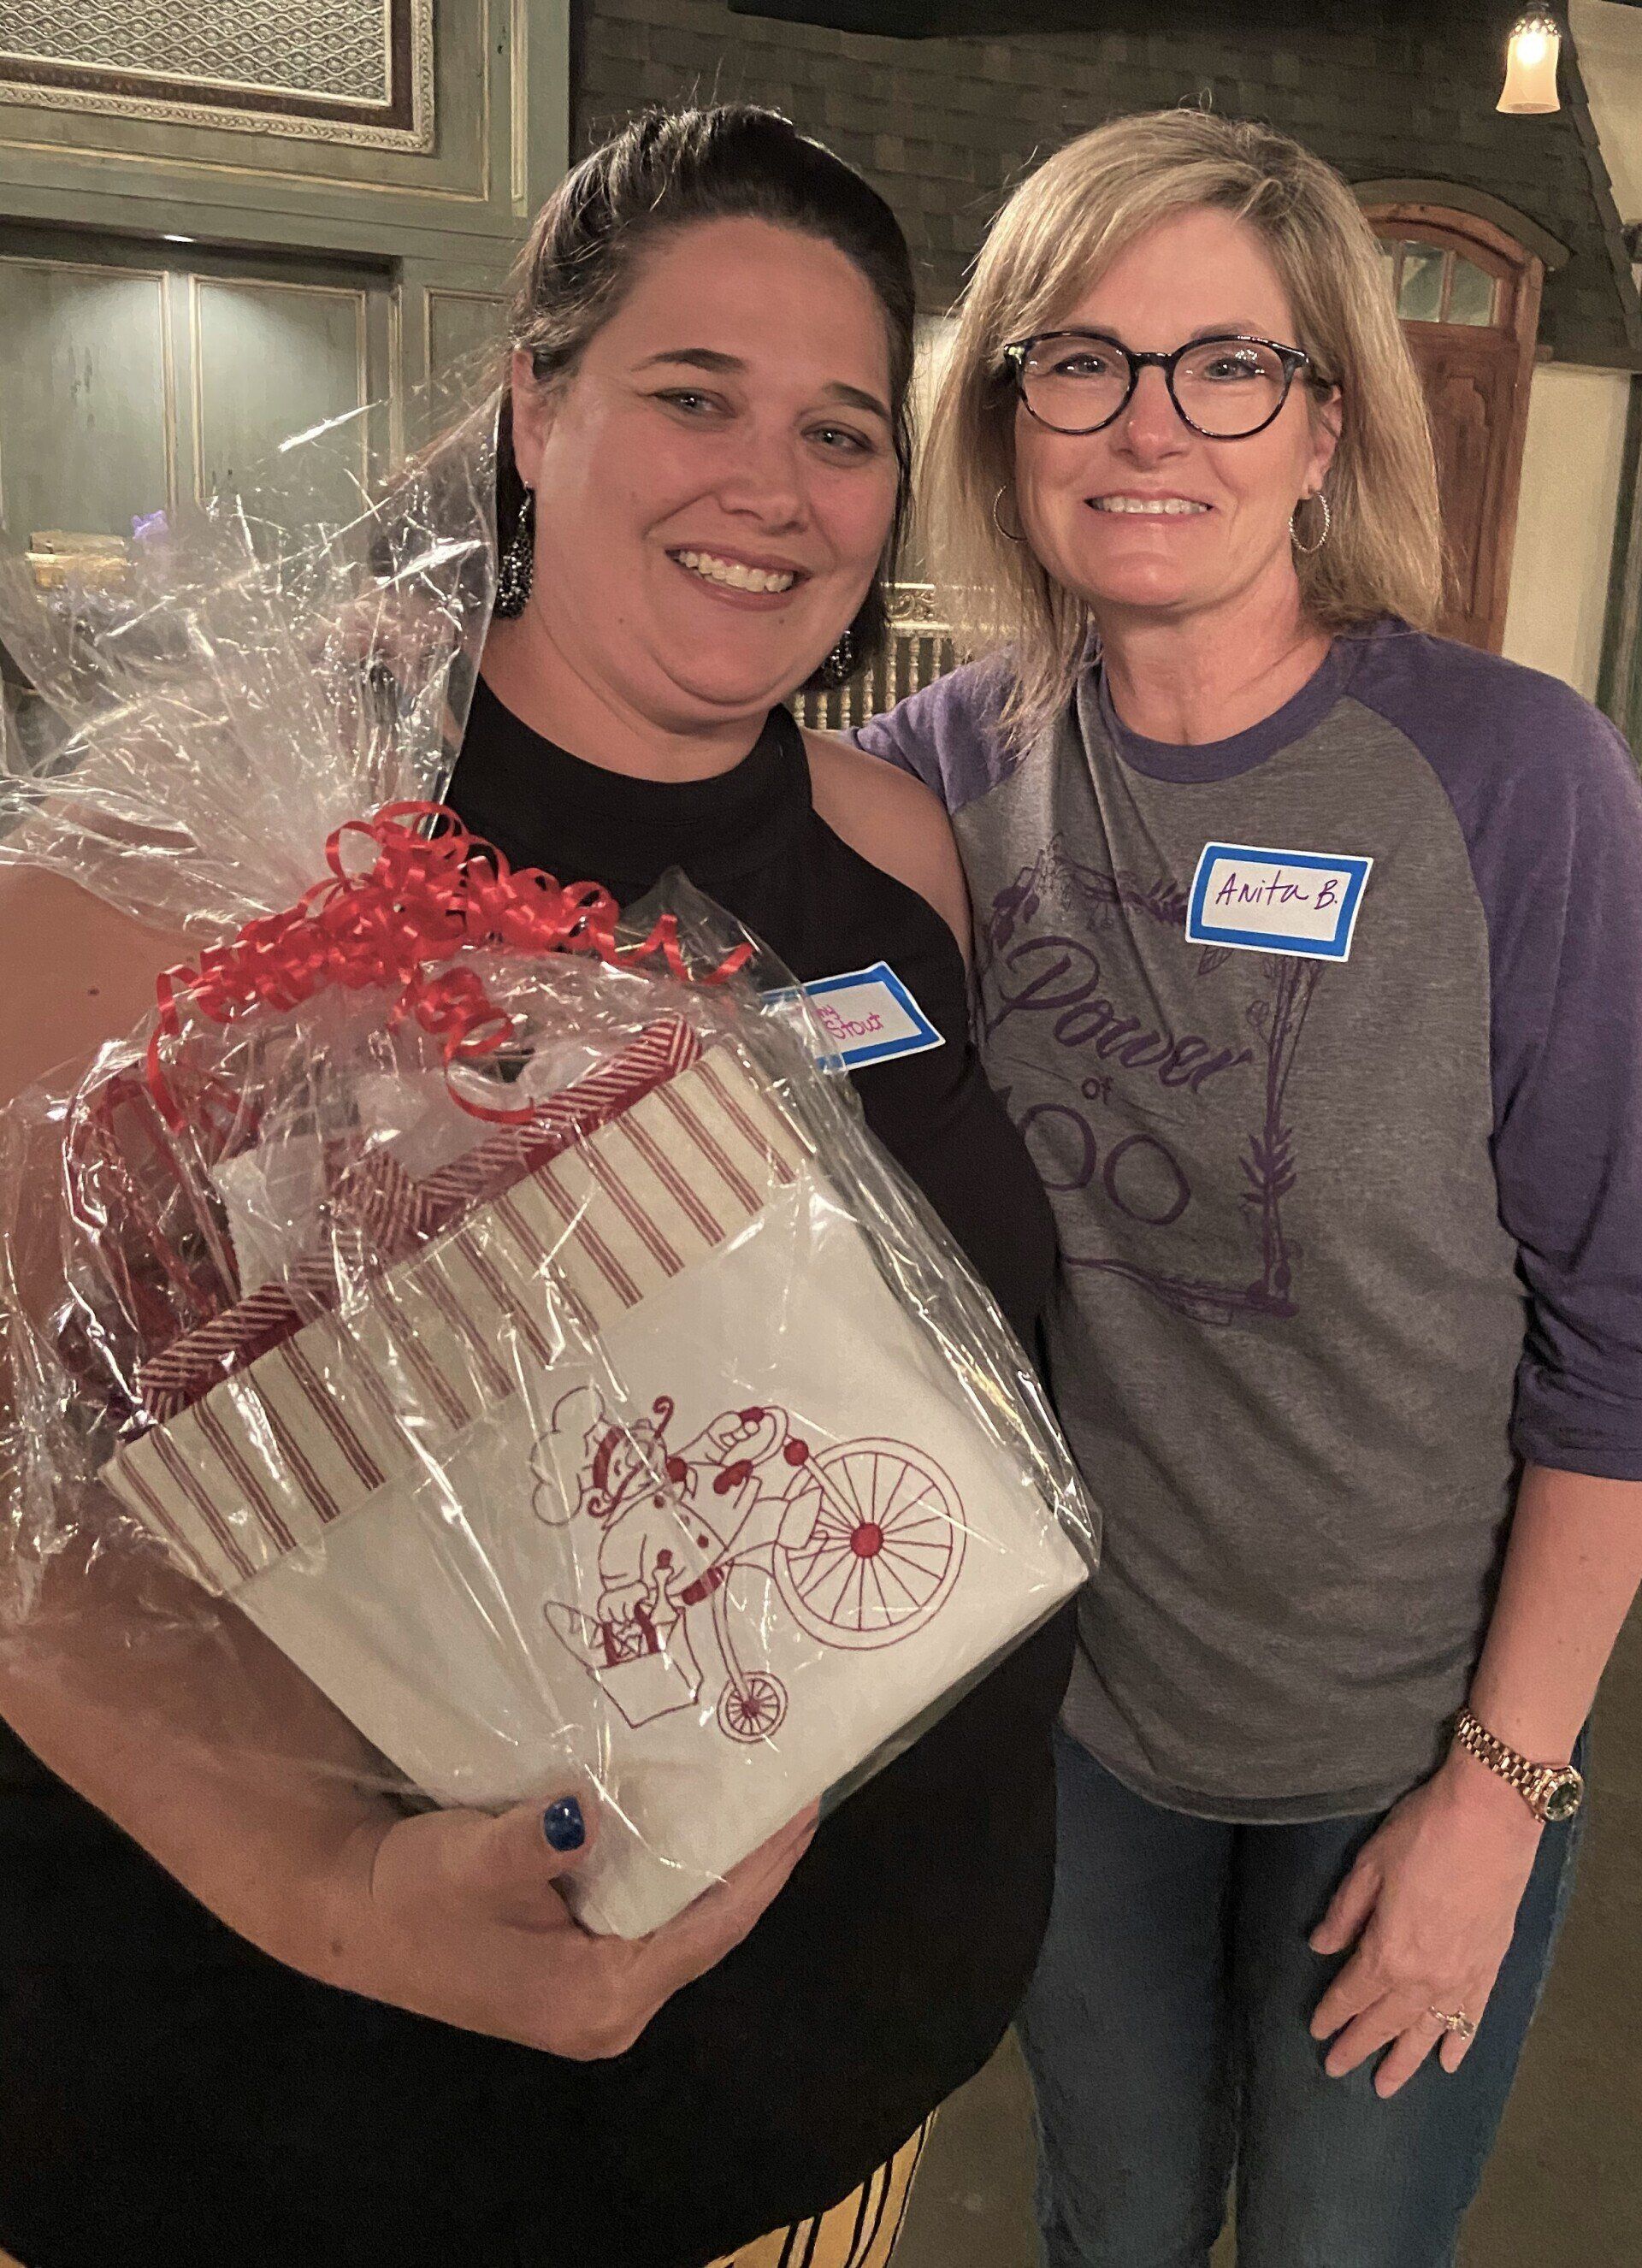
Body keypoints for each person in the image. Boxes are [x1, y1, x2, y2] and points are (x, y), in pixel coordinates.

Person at [0, 107, 1073, 2268]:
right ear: (532, 404)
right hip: (312, 2135)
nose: (773, 486)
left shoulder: (896, 850)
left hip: (836, 2112)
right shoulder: (206, 860)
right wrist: (315, 1880)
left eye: (842, 430)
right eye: (694, 395)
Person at [849, 107, 1642, 2268]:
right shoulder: (946, 774)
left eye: (1230, 365)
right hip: (1084, 1720)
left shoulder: (1512, 778)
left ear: (1321, 427)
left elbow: (1621, 1343)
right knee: (1110, 2228)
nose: (1147, 424)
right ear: (1009, 413)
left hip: (1406, 1742)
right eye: (1079, 360)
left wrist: (1504, 1794)